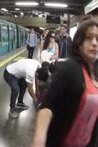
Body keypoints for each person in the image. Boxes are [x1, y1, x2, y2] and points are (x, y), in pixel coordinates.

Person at [32, 17, 98, 147]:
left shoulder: (96, 71)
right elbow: (47, 104)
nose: (95, 43)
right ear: (79, 42)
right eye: (89, 37)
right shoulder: (69, 68)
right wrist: (39, 139)